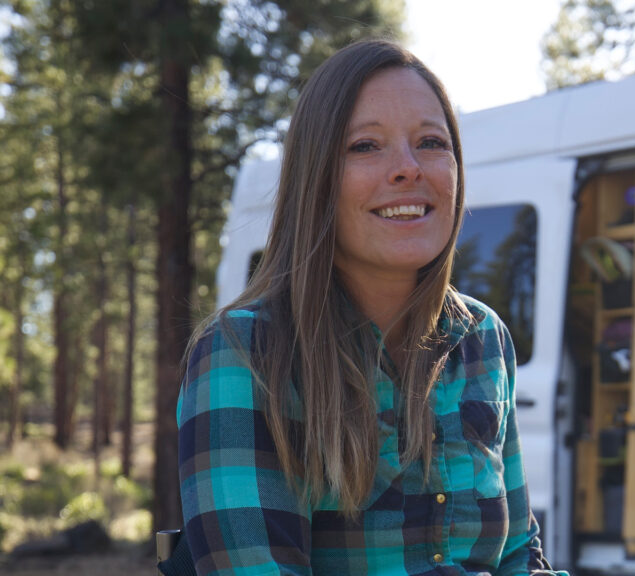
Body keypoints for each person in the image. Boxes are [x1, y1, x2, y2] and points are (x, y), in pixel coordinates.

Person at [177, 39, 567, 576]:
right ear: (315, 178)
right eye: (365, 146)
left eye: (431, 142)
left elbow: (520, 553)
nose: (408, 168)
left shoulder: (484, 337)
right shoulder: (243, 353)